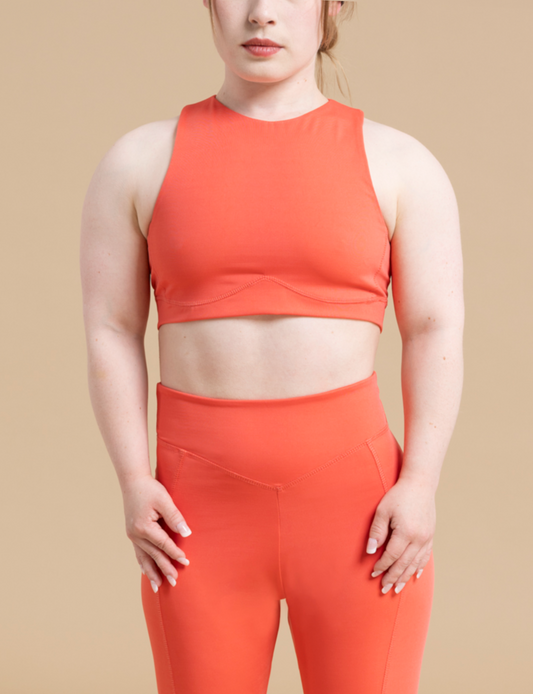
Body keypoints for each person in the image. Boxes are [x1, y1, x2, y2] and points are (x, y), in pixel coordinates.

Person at [80, 1, 464, 692]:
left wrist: (421, 483)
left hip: (362, 515)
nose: (261, 15)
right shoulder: (138, 160)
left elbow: (433, 328)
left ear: (330, 7)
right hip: (197, 515)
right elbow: (111, 328)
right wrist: (135, 481)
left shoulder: (400, 162)